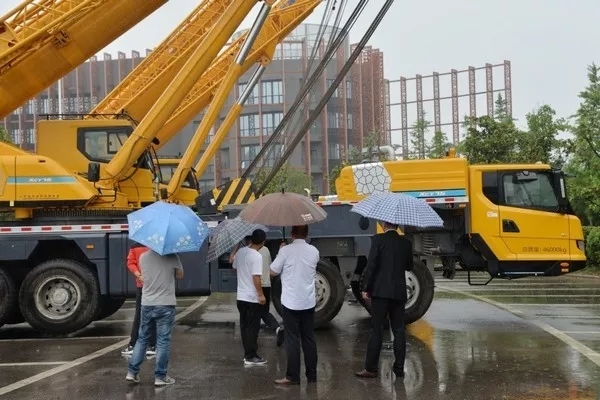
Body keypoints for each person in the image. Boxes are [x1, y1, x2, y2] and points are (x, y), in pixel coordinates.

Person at [355, 221, 413, 379]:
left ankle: (371, 368)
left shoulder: (378, 240)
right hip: (399, 292)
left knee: (377, 330)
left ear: (384, 224)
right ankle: (399, 368)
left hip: (380, 292)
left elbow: (372, 265)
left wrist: (366, 287)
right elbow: (409, 266)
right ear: (397, 225)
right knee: (399, 330)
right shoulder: (406, 243)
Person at [270, 225, 319, 385]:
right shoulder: (314, 251)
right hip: (308, 301)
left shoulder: (285, 251)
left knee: (292, 339)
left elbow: (273, 271)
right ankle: (312, 376)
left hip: (291, 302)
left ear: (292, 233)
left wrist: (281, 251)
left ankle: (293, 376)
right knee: (309, 339)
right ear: (307, 234)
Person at [126, 250, 184, 386]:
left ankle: (132, 372)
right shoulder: (172, 256)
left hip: (147, 303)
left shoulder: (143, 257)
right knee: (163, 341)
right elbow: (180, 275)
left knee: (142, 338)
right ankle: (160, 376)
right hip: (165, 303)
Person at [233, 229, 267, 366]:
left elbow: (235, 268)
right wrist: (261, 294)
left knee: (245, 327)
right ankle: (251, 356)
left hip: (240, 297)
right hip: (252, 298)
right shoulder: (257, 256)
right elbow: (256, 277)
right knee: (253, 328)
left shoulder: (241, 252)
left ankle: (247, 354)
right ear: (263, 242)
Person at [121, 242, 157, 357]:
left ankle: (133, 344)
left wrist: (138, 275)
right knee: (155, 314)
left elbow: (130, 263)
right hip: (156, 284)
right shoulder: (157, 244)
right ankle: (153, 345)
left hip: (142, 285)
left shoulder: (135, 246)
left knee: (139, 315)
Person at [258, 243, 285, 347]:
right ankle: (278, 328)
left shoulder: (250, 252)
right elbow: (271, 267)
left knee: (254, 313)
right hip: (267, 284)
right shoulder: (266, 250)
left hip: (257, 286)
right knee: (264, 312)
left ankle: (252, 338)